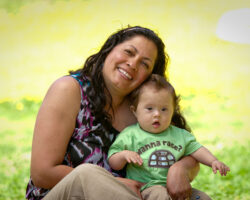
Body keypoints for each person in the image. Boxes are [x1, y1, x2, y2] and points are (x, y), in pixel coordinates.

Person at [25, 25, 210, 200]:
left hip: (137, 193)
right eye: (129, 52)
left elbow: (186, 148)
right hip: (64, 195)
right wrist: (115, 184)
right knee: (87, 173)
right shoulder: (69, 90)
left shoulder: (145, 107)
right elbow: (42, 173)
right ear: (109, 50)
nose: (133, 64)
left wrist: (180, 168)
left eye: (145, 64)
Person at [108, 74, 230, 200]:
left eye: (164, 109)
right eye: (149, 108)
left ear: (173, 111)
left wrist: (213, 161)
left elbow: (197, 149)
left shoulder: (180, 135)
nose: (157, 114)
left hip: (178, 188)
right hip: (147, 189)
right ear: (135, 111)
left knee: (203, 198)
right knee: (160, 195)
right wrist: (123, 155)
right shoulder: (130, 135)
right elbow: (113, 162)